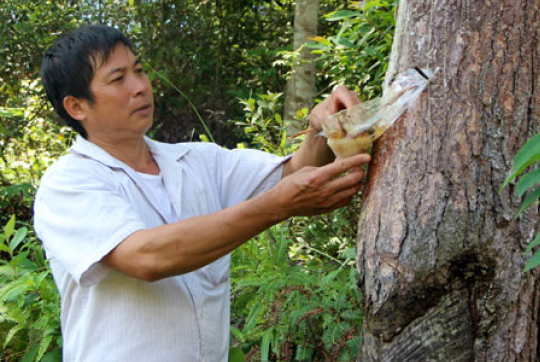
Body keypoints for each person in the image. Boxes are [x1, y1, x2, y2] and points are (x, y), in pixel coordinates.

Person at [33, 25, 369, 362]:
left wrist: (324, 127)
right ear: (77, 106)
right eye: (118, 79)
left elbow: (293, 174)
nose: (140, 87)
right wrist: (275, 207)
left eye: (139, 70)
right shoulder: (68, 183)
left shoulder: (198, 161)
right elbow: (146, 257)